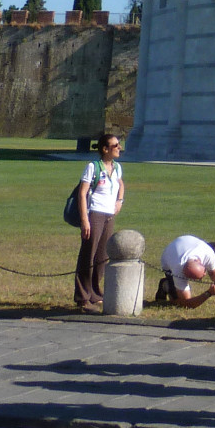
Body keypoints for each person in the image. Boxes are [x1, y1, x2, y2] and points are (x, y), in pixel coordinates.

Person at [73, 131, 126, 313]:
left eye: (119, 144)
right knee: (89, 254)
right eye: (115, 146)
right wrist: (84, 220)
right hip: (94, 213)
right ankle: (82, 297)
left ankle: (95, 293)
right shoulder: (93, 167)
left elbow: (121, 184)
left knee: (102, 256)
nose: (119, 148)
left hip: (109, 215)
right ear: (105, 149)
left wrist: (120, 201)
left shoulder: (117, 167)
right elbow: (82, 193)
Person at [155, 233, 215, 307]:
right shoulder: (177, 270)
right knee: (178, 303)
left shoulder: (207, 254)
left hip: (194, 246)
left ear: (200, 262)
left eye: (203, 274)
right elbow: (187, 303)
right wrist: (208, 293)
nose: (204, 277)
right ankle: (166, 285)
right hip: (170, 256)